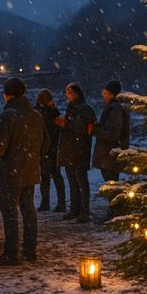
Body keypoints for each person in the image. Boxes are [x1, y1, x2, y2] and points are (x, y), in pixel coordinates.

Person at [0, 77, 50, 266]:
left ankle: (11, 253)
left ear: (6, 95)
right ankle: (29, 251)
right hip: (30, 171)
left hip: (10, 174)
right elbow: (46, 144)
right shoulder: (36, 116)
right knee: (28, 210)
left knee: (10, 213)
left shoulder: (6, 117)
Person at [56, 83, 96, 223]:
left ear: (77, 93)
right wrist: (63, 124)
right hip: (70, 150)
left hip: (79, 150)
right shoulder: (71, 108)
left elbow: (81, 129)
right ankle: (75, 209)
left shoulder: (85, 109)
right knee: (73, 183)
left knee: (81, 183)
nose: (67, 94)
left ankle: (84, 211)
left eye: (69, 92)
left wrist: (67, 124)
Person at [92, 81, 131, 182]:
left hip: (110, 154)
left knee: (111, 184)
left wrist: (94, 130)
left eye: (105, 93)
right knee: (111, 183)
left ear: (112, 94)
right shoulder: (113, 107)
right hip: (108, 154)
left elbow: (112, 133)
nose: (103, 96)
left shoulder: (115, 109)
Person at [34, 89, 65, 212]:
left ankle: (48, 203)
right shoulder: (52, 113)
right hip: (51, 147)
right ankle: (58, 203)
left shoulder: (39, 113)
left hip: (46, 148)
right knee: (53, 176)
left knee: (47, 177)